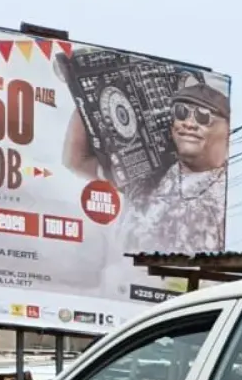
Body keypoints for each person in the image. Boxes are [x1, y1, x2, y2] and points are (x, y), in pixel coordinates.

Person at [63, 72, 229, 256]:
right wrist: (83, 95)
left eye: (203, 116)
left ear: (228, 131)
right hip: (123, 272)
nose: (188, 123)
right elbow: (77, 160)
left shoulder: (232, 191)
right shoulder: (149, 176)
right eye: (181, 112)